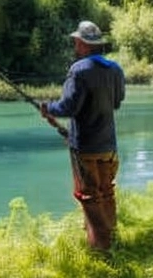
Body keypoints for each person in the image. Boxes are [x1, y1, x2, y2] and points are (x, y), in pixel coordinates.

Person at [40, 20, 125, 252]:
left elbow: (68, 107)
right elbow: (116, 103)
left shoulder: (79, 70)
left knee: (89, 196)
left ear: (86, 44)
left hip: (86, 147)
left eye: (77, 40)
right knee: (106, 192)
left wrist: (49, 109)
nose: (75, 43)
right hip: (109, 146)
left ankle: (101, 248)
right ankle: (111, 239)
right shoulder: (116, 70)